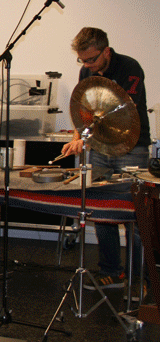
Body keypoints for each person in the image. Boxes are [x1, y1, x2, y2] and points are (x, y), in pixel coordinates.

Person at [61, 27, 151, 298]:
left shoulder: (130, 68)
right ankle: (112, 272)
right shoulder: (86, 72)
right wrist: (77, 137)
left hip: (132, 148)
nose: (87, 65)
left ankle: (142, 280)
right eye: (83, 60)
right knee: (102, 210)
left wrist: (86, 135)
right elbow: (82, 110)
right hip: (100, 148)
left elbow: (121, 112)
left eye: (91, 59)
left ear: (106, 51)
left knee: (136, 215)